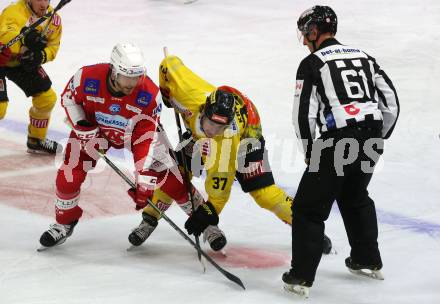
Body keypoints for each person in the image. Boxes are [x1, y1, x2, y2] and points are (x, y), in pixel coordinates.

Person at [128, 54, 333, 253]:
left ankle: (309, 229)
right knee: (176, 174)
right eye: (211, 124)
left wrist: (208, 214)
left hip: (247, 138)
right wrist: (167, 93)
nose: (213, 131)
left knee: (264, 193)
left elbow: (219, 193)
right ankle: (149, 217)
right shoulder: (189, 94)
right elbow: (169, 64)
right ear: (204, 109)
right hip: (215, 127)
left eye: (220, 127)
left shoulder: (224, 142)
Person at [282, 5, 400, 298]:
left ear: (313, 31)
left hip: (337, 140)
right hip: (371, 137)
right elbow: (391, 103)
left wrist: (311, 151)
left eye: (305, 33)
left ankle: (301, 277)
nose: (304, 39)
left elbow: (303, 115)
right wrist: (376, 137)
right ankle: (367, 259)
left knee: (308, 208)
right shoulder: (365, 57)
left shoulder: (312, 63)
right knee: (355, 196)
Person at [39, 43, 180, 248]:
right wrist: (82, 126)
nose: (133, 83)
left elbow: (146, 135)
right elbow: (68, 99)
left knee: (169, 176)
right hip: (95, 131)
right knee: (68, 177)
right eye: (127, 77)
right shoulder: (87, 77)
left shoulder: (148, 92)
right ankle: (64, 223)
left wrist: (143, 175)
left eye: (137, 77)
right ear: (114, 71)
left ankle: (206, 224)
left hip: (135, 134)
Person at [0, 0, 63, 154]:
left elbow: (53, 48)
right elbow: (6, 36)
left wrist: (39, 56)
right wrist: (26, 38)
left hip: (21, 64)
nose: (43, 4)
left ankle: (36, 139)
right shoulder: (14, 11)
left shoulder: (54, 20)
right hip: (1, 58)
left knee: (46, 99)